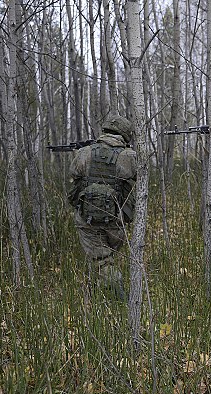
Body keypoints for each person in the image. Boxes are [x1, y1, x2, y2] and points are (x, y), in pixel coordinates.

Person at [67, 114, 137, 301]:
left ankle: (121, 302)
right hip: (116, 220)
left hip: (86, 219)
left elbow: (74, 173)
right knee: (107, 259)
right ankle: (100, 295)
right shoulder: (130, 156)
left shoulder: (85, 152)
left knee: (102, 262)